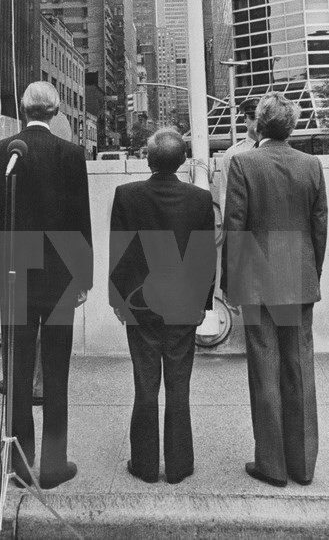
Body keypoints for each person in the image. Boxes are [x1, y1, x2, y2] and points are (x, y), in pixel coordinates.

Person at [0, 81, 93, 490]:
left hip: (14, 274)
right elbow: (81, 219)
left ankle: (20, 464)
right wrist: (84, 279)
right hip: (60, 274)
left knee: (18, 371)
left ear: (22, 109)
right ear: (57, 111)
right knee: (57, 373)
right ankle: (55, 463)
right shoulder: (71, 154)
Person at [222, 92, 328, 488]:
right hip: (299, 276)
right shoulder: (311, 165)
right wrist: (312, 271)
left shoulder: (243, 164)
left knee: (264, 368)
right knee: (300, 367)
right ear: (293, 126)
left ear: (259, 125)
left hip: (258, 278)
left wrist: (230, 284)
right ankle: (302, 464)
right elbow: (320, 225)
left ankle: (271, 464)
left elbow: (235, 227)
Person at [109, 128, 216, 484]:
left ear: (149, 160)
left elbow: (119, 254)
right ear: (183, 160)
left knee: (145, 383)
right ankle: (179, 465)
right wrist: (204, 303)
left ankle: (144, 465)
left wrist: (119, 299)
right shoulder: (200, 200)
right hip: (184, 304)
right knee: (179, 384)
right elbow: (204, 257)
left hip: (141, 305)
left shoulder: (126, 195)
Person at [213, 97, 259, 242]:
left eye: (260, 117)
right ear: (245, 119)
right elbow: (226, 195)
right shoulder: (233, 154)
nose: (256, 122)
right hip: (244, 227)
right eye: (252, 117)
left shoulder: (275, 150)